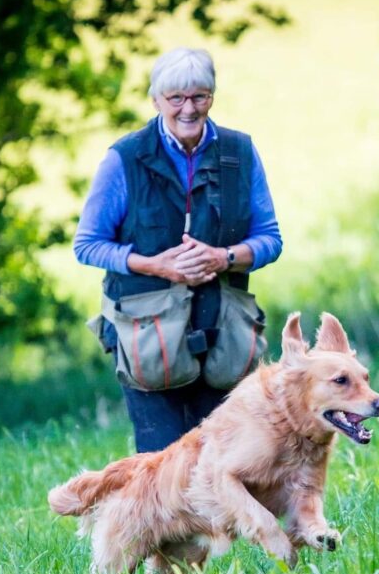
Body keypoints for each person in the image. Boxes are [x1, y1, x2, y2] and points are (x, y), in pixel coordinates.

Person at [74, 46, 282, 453]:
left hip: (224, 330)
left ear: (212, 98)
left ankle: (225, 521)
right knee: (161, 465)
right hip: (148, 337)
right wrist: (154, 265)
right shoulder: (125, 159)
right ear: (156, 100)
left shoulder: (240, 153)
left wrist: (225, 258)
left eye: (199, 97)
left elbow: (271, 238)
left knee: (227, 459)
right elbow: (87, 245)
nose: (189, 108)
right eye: (176, 99)